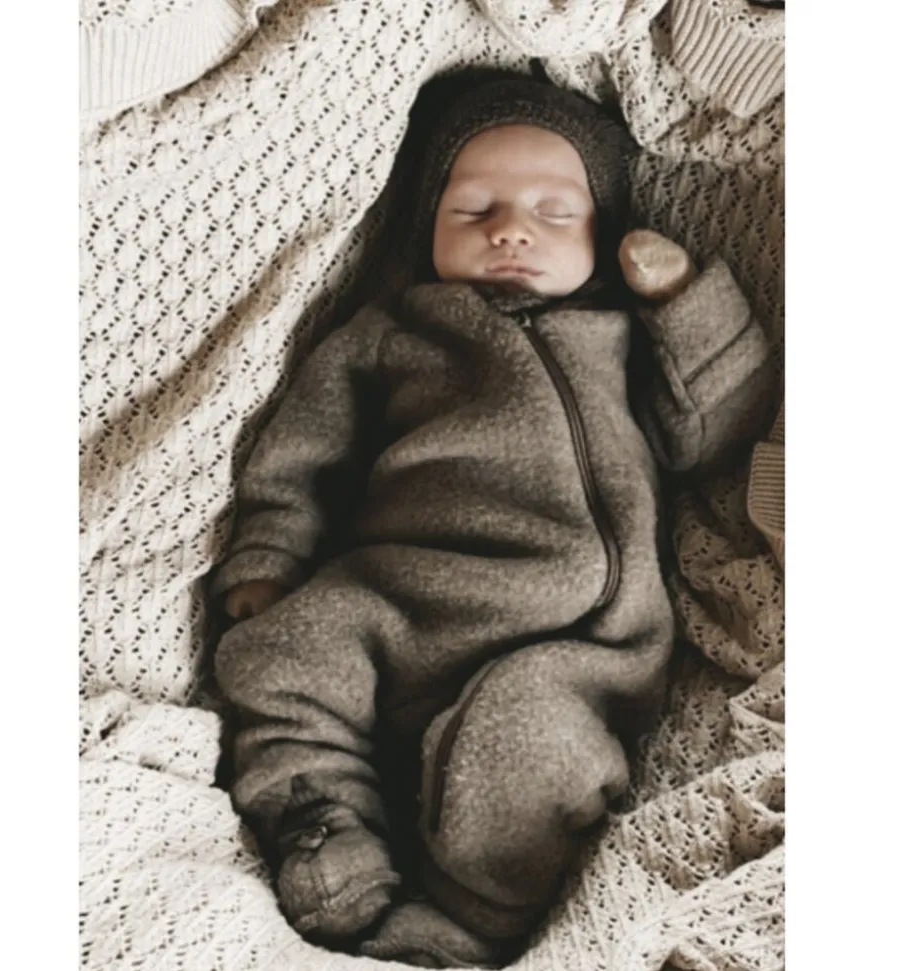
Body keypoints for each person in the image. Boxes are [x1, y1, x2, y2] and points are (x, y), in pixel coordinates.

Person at [210, 76, 775, 968]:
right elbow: (303, 453)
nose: (511, 229)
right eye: (475, 209)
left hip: (571, 640)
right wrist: (270, 554)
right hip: (395, 596)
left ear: (606, 235)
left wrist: (680, 297)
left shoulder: (623, 337)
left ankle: (463, 925)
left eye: (555, 212)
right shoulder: (386, 334)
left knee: (535, 758)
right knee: (276, 656)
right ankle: (321, 822)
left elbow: (716, 428)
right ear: (426, 224)